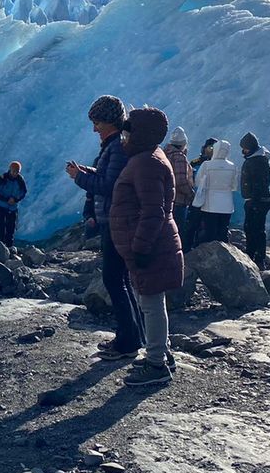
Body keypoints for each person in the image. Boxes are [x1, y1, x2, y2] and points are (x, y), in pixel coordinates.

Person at [110, 106, 185, 387]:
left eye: (127, 133)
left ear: (140, 134)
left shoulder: (146, 163)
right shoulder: (148, 157)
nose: (123, 139)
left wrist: (140, 247)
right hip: (152, 244)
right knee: (151, 302)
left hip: (151, 246)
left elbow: (153, 210)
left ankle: (156, 364)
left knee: (151, 304)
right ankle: (162, 353)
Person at [67, 95, 143, 360]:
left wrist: (80, 178)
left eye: (97, 122)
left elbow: (111, 186)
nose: (94, 128)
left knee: (114, 279)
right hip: (114, 220)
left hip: (115, 221)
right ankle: (134, 336)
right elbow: (109, 176)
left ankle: (127, 343)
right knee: (120, 279)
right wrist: (87, 171)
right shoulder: (115, 145)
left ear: (110, 120)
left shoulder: (117, 148)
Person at [238, 132, 270, 269]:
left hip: (257, 200)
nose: (243, 151)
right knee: (254, 228)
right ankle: (255, 255)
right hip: (260, 199)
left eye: (245, 148)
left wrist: (254, 200)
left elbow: (259, 183)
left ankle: (256, 257)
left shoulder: (256, 161)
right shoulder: (259, 159)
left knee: (254, 228)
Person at [192, 139, 237, 245]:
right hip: (227, 205)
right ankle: (225, 254)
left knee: (209, 232)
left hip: (210, 203)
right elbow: (234, 186)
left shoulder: (207, 165)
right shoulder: (232, 166)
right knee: (223, 232)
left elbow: (198, 182)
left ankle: (209, 255)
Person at [162, 127, 195, 243]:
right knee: (177, 233)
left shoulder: (164, 154)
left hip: (165, 199)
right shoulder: (179, 157)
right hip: (179, 201)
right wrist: (191, 194)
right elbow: (181, 180)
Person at [184, 137, 217, 248]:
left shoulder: (217, 164)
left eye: (213, 148)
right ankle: (188, 249)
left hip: (210, 200)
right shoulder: (195, 163)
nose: (211, 151)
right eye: (209, 148)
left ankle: (201, 248)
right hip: (195, 199)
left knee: (206, 227)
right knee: (192, 225)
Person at [0, 161, 28, 250]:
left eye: (17, 171)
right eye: (13, 171)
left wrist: (16, 199)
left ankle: (9, 247)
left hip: (12, 208)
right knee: (1, 226)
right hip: (1, 206)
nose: (15, 173)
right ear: (10, 169)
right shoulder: (2, 178)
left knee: (11, 228)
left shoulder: (20, 180)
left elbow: (23, 192)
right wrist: (7, 199)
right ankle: (1, 247)